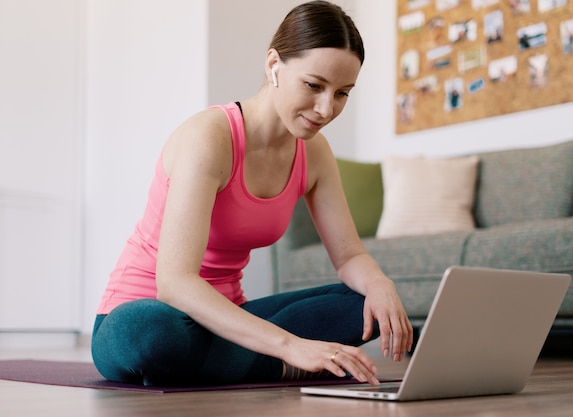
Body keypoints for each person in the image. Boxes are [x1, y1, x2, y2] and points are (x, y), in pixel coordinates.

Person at [91, 0, 413, 387]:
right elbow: (174, 283)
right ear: (274, 65)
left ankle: (232, 360)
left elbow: (348, 256)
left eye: (342, 93)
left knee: (365, 306)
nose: (326, 108)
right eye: (314, 85)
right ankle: (273, 360)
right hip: (146, 313)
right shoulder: (209, 137)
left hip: (230, 317)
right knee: (149, 332)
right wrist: (289, 346)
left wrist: (380, 284)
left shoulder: (315, 153)